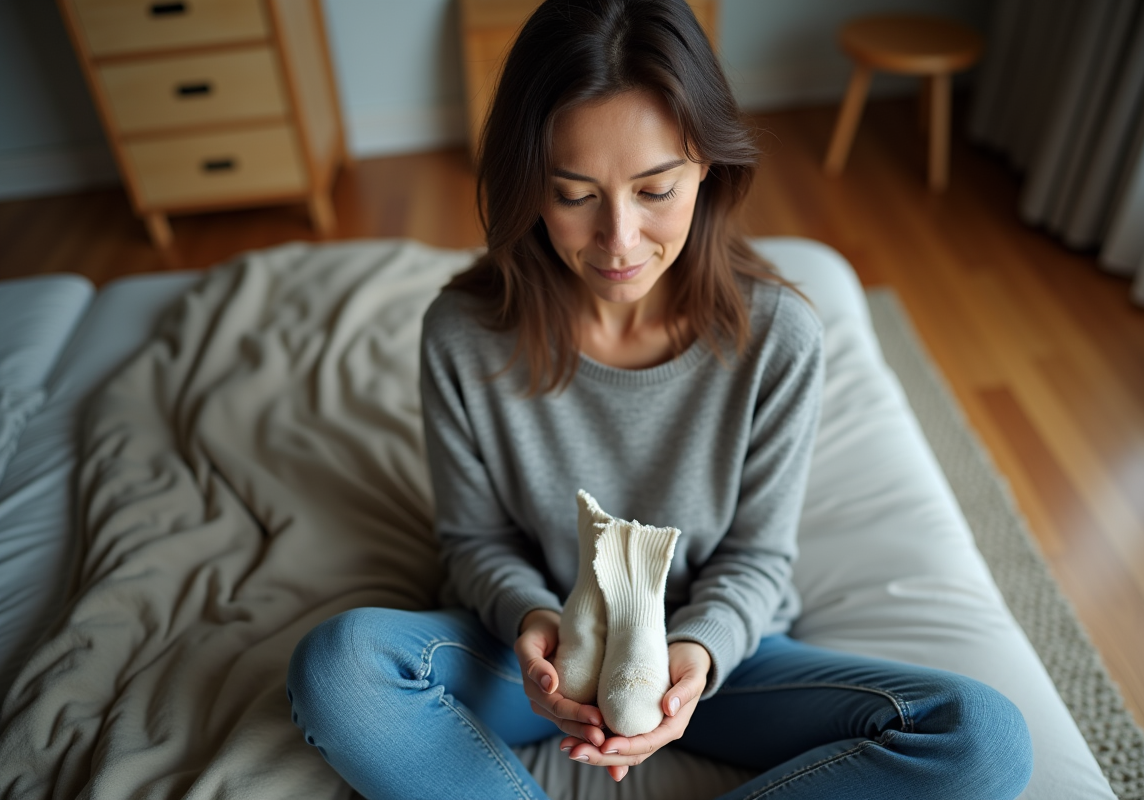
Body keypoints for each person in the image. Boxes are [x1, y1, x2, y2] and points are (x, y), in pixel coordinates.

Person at [286, 1, 1034, 798]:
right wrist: (534, 624)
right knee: (341, 667)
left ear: (706, 166)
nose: (618, 239)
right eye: (574, 194)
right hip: (528, 664)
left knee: (979, 737)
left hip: (714, 668)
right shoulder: (462, 336)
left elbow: (758, 555)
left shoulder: (778, 336)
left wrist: (697, 655)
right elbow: (473, 540)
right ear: (529, 186)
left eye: (655, 189)